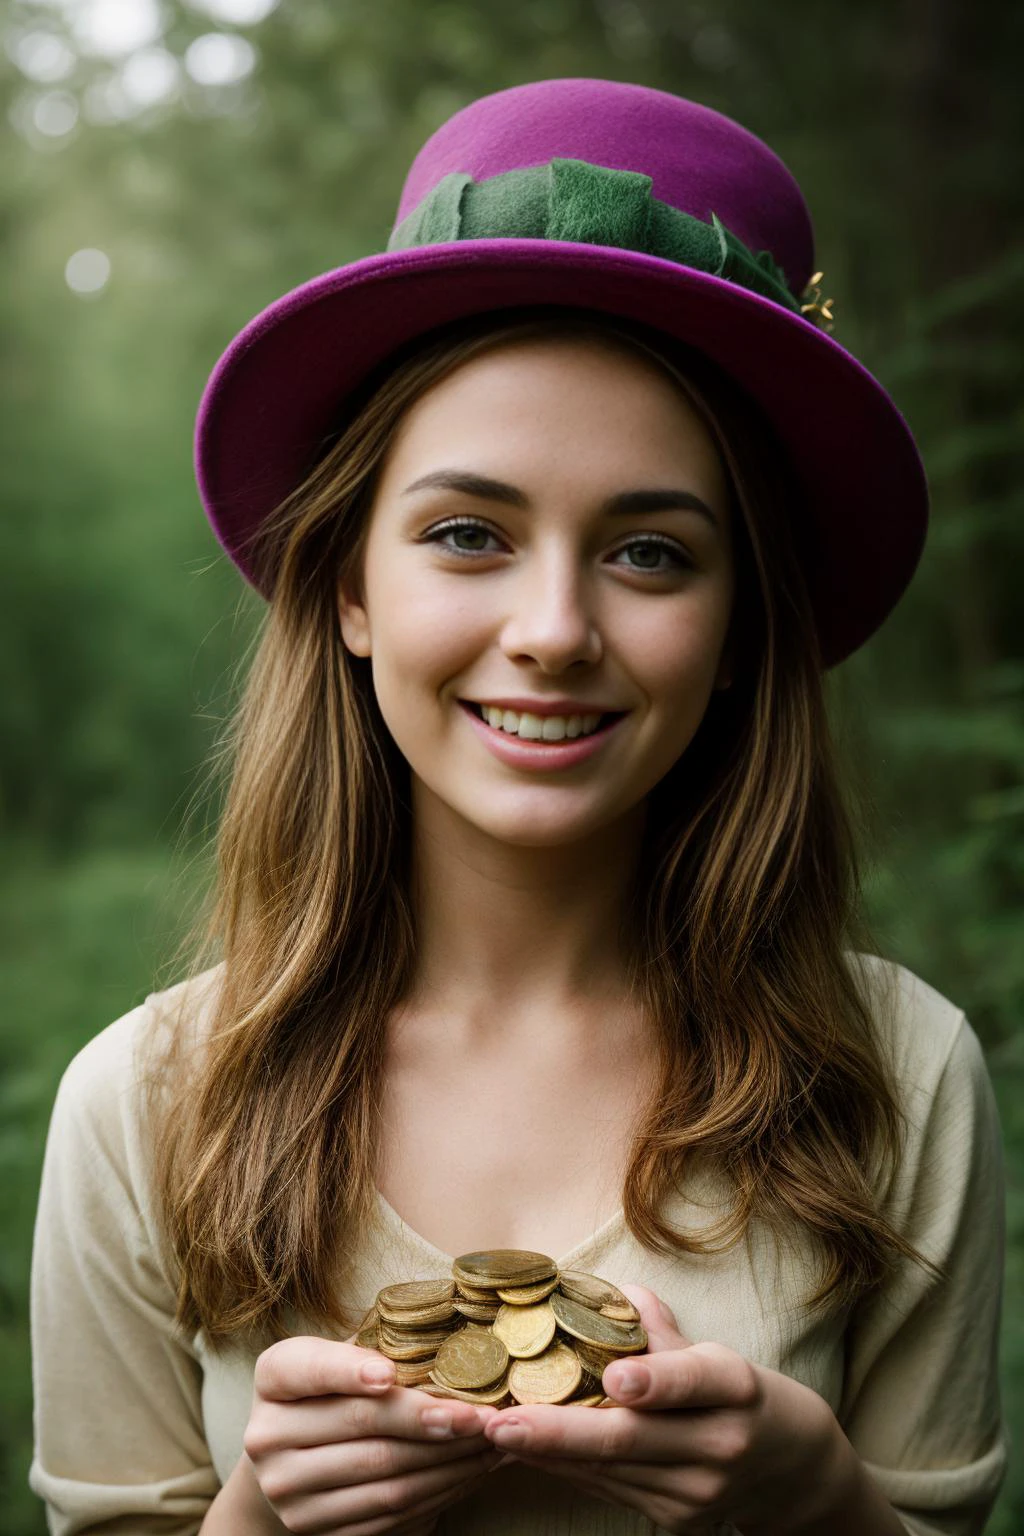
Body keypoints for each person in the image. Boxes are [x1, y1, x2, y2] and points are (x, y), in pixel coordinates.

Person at [29, 78, 1008, 1536]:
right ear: (354, 587)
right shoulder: (141, 1108)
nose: (553, 628)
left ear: (744, 625)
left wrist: (821, 1505)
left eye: (653, 553)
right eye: (470, 534)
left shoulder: (903, 1081)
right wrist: (256, 1518)